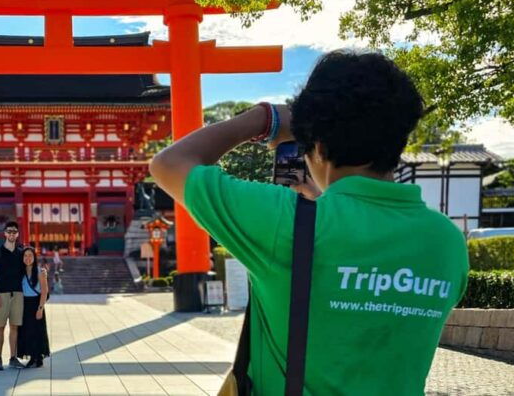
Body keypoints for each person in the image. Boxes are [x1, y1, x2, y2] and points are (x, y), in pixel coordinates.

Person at [150, 50, 469, 394]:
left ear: (316, 146)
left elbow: (168, 164)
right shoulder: (447, 241)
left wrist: (266, 119)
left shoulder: (285, 223)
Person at [0, 221, 25, 370]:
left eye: (14, 232)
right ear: (4, 233)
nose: (11, 234)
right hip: (2, 294)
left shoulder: (20, 252)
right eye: (9, 231)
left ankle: (13, 357)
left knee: (15, 326)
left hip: (17, 294)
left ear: (17, 234)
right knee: (0, 326)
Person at [17, 247, 51, 368]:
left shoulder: (40, 272)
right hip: (24, 304)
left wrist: (40, 308)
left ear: (34, 257)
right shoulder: (20, 272)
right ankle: (32, 357)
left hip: (36, 304)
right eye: (25, 256)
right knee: (27, 331)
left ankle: (39, 356)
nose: (27, 258)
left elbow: (44, 291)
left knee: (38, 330)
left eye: (30, 255)